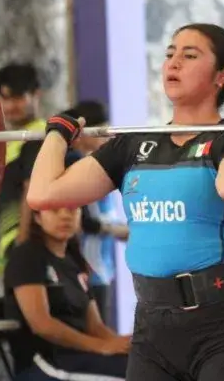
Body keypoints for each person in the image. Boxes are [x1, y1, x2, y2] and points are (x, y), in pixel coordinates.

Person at [28, 23, 224, 381]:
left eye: (189, 55)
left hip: (222, 325)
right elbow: (42, 194)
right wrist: (57, 133)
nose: (173, 63)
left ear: (222, 75)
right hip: (152, 325)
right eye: (169, 54)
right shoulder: (132, 145)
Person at [3, 202, 130, 379]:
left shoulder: (75, 260)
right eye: (54, 209)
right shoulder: (26, 256)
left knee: (149, 365)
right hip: (45, 364)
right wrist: (100, 346)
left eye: (72, 209)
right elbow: (42, 325)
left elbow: (95, 326)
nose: (65, 215)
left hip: (82, 358)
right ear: (38, 217)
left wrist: (120, 344)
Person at [64, 100, 129, 330]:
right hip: (88, 269)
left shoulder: (100, 165)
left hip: (101, 268)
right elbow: (79, 220)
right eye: (100, 129)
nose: (106, 134)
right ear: (81, 134)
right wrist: (113, 230)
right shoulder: (76, 163)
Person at [0, 63, 47, 272]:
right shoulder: (11, 139)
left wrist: (22, 244)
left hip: (29, 246)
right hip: (9, 243)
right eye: (4, 98)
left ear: (36, 95)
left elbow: (30, 190)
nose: (10, 106)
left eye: (18, 97)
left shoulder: (39, 136)